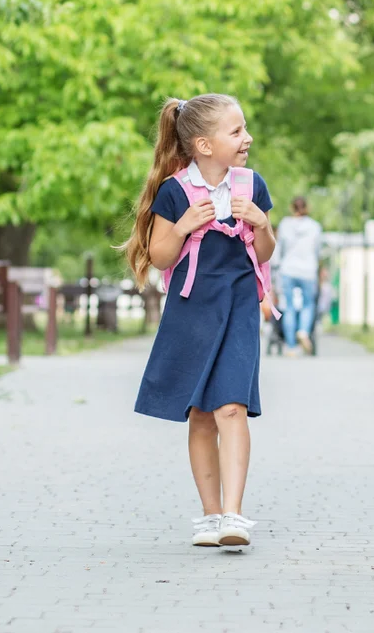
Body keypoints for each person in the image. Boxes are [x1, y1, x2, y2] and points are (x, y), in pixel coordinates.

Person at [122, 93, 276, 549]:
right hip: (191, 314)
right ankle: (210, 515)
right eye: (237, 131)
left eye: (245, 129)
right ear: (204, 145)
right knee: (203, 415)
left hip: (239, 308)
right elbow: (160, 256)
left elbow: (265, 253)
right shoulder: (175, 192)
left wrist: (262, 224)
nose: (247, 138)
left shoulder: (251, 185)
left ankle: (234, 514)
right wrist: (184, 224)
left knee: (232, 407)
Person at [273, 196, 323, 356]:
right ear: (307, 207)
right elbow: (317, 250)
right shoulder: (314, 226)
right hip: (308, 270)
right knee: (308, 304)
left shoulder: (285, 224)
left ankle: (291, 346)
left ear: (292, 207)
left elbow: (280, 248)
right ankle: (303, 331)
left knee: (288, 307)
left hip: (288, 269)